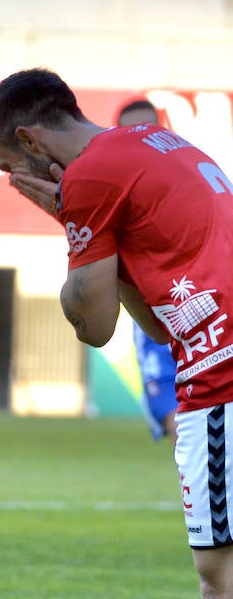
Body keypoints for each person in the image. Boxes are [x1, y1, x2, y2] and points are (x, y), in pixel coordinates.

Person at [0, 68, 233, 599]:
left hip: (224, 380)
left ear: (28, 141)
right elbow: (155, 320)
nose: (12, 181)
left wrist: (72, 227)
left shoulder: (89, 178)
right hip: (212, 355)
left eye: (5, 168)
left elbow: (93, 325)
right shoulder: (158, 144)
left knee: (224, 588)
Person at [116, 97, 179, 443]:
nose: (141, 138)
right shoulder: (113, 198)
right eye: (130, 133)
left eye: (149, 130)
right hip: (166, 313)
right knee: (182, 427)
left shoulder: (194, 176)